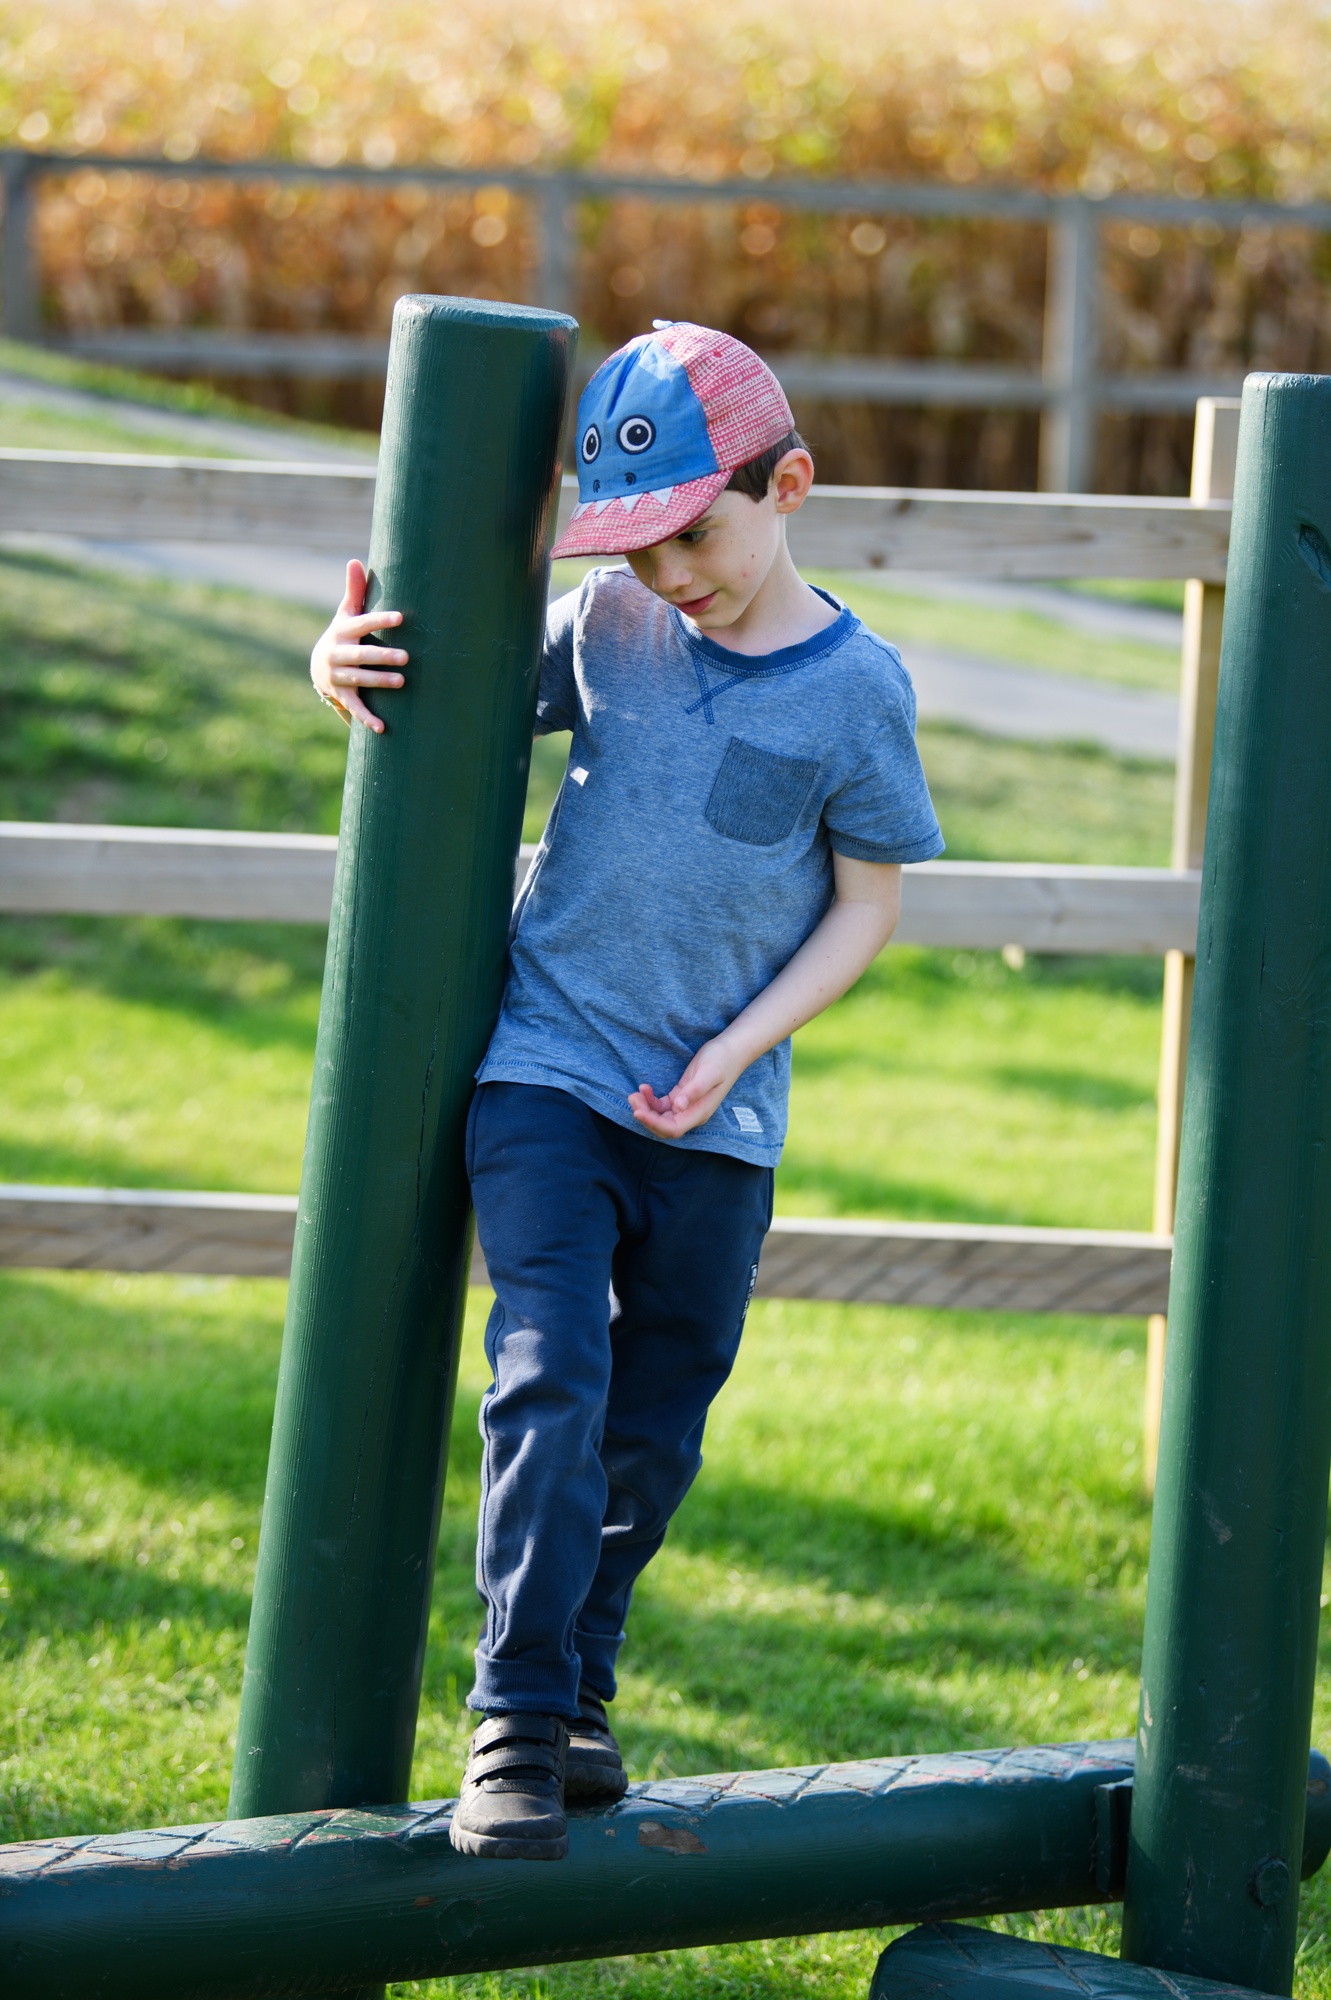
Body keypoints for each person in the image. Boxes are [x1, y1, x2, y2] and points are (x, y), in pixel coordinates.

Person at [310, 320, 943, 1861]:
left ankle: (580, 1684)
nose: (669, 575)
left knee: (659, 1420)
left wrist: (734, 1051)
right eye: (639, 548)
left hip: (718, 1122)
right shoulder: (607, 624)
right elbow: (447, 683)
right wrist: (331, 659)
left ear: (789, 485)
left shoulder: (859, 690)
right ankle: (516, 1723)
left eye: (695, 536)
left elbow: (866, 906)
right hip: (550, 1072)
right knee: (552, 1375)